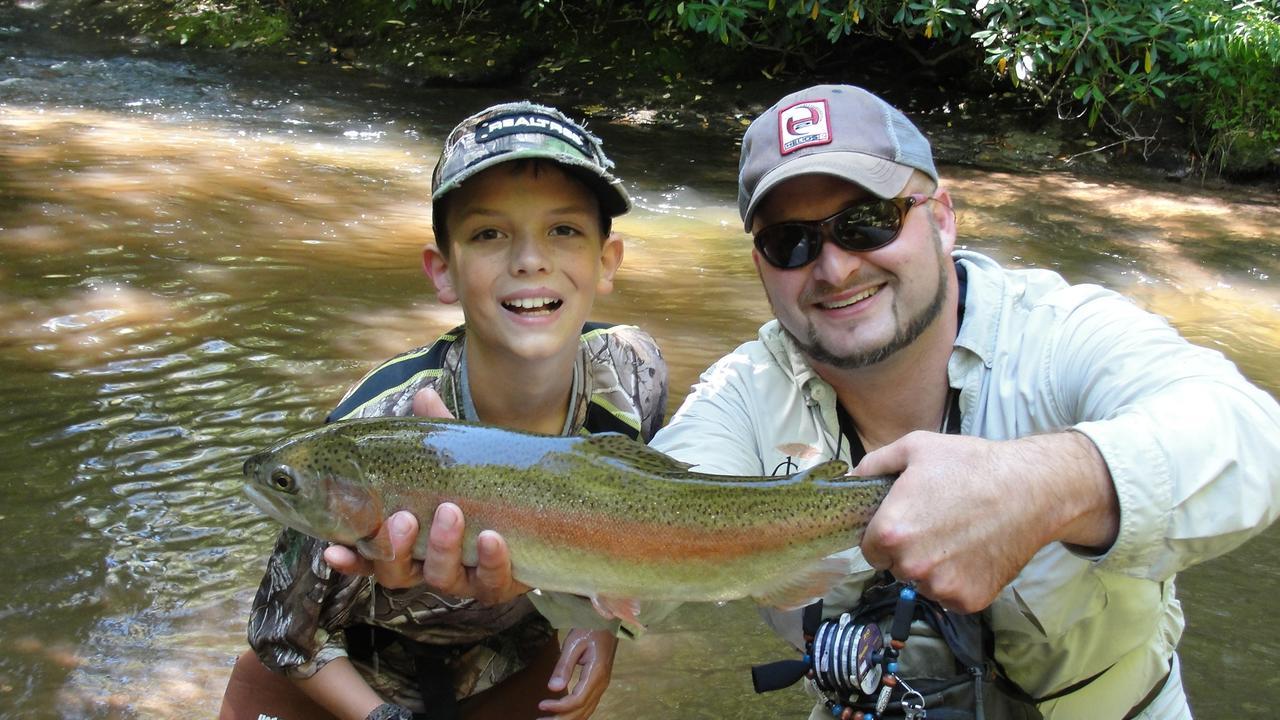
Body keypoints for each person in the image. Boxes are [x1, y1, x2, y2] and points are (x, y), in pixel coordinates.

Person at [365, 84, 1280, 718]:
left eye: (866, 221)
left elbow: (1251, 439)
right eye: (792, 240)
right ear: (759, 259)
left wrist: (1050, 484)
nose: (835, 265)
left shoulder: (1063, 335)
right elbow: (642, 520)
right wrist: (509, 515)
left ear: (944, 214)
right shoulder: (740, 399)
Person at [218, 101, 668, 720]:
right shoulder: (364, 437)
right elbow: (279, 631)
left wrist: (602, 627)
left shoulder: (633, 378)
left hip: (509, 671)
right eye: (489, 234)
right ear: (443, 272)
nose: (529, 260)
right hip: (338, 685)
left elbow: (633, 538)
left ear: (607, 261)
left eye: (563, 230)